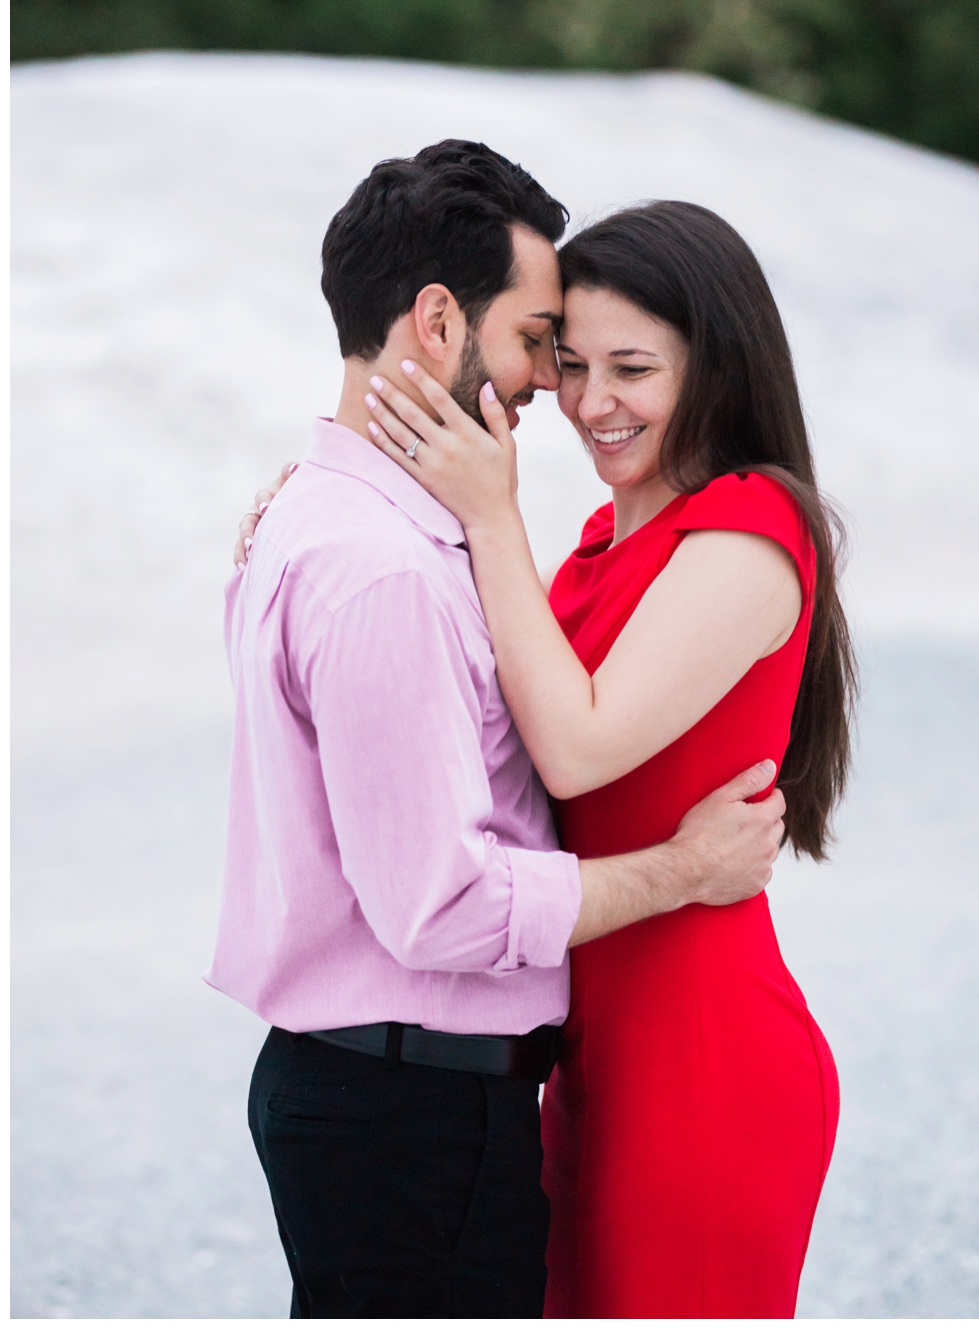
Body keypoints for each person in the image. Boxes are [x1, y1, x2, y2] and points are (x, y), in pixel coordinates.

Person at [211, 140, 788, 1318]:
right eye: (542, 344)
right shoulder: (388, 570)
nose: (554, 390)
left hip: (415, 1094)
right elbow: (446, 904)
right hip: (410, 1105)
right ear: (436, 322)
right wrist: (683, 869)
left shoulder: (349, 527)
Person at [337, 198, 852, 1318]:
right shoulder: (596, 543)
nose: (588, 404)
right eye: (568, 364)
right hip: (588, 1060)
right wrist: (318, 506)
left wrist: (490, 515)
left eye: (633, 368)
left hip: (699, 1063)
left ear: (716, 362)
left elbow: (572, 750)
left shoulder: (748, 534)